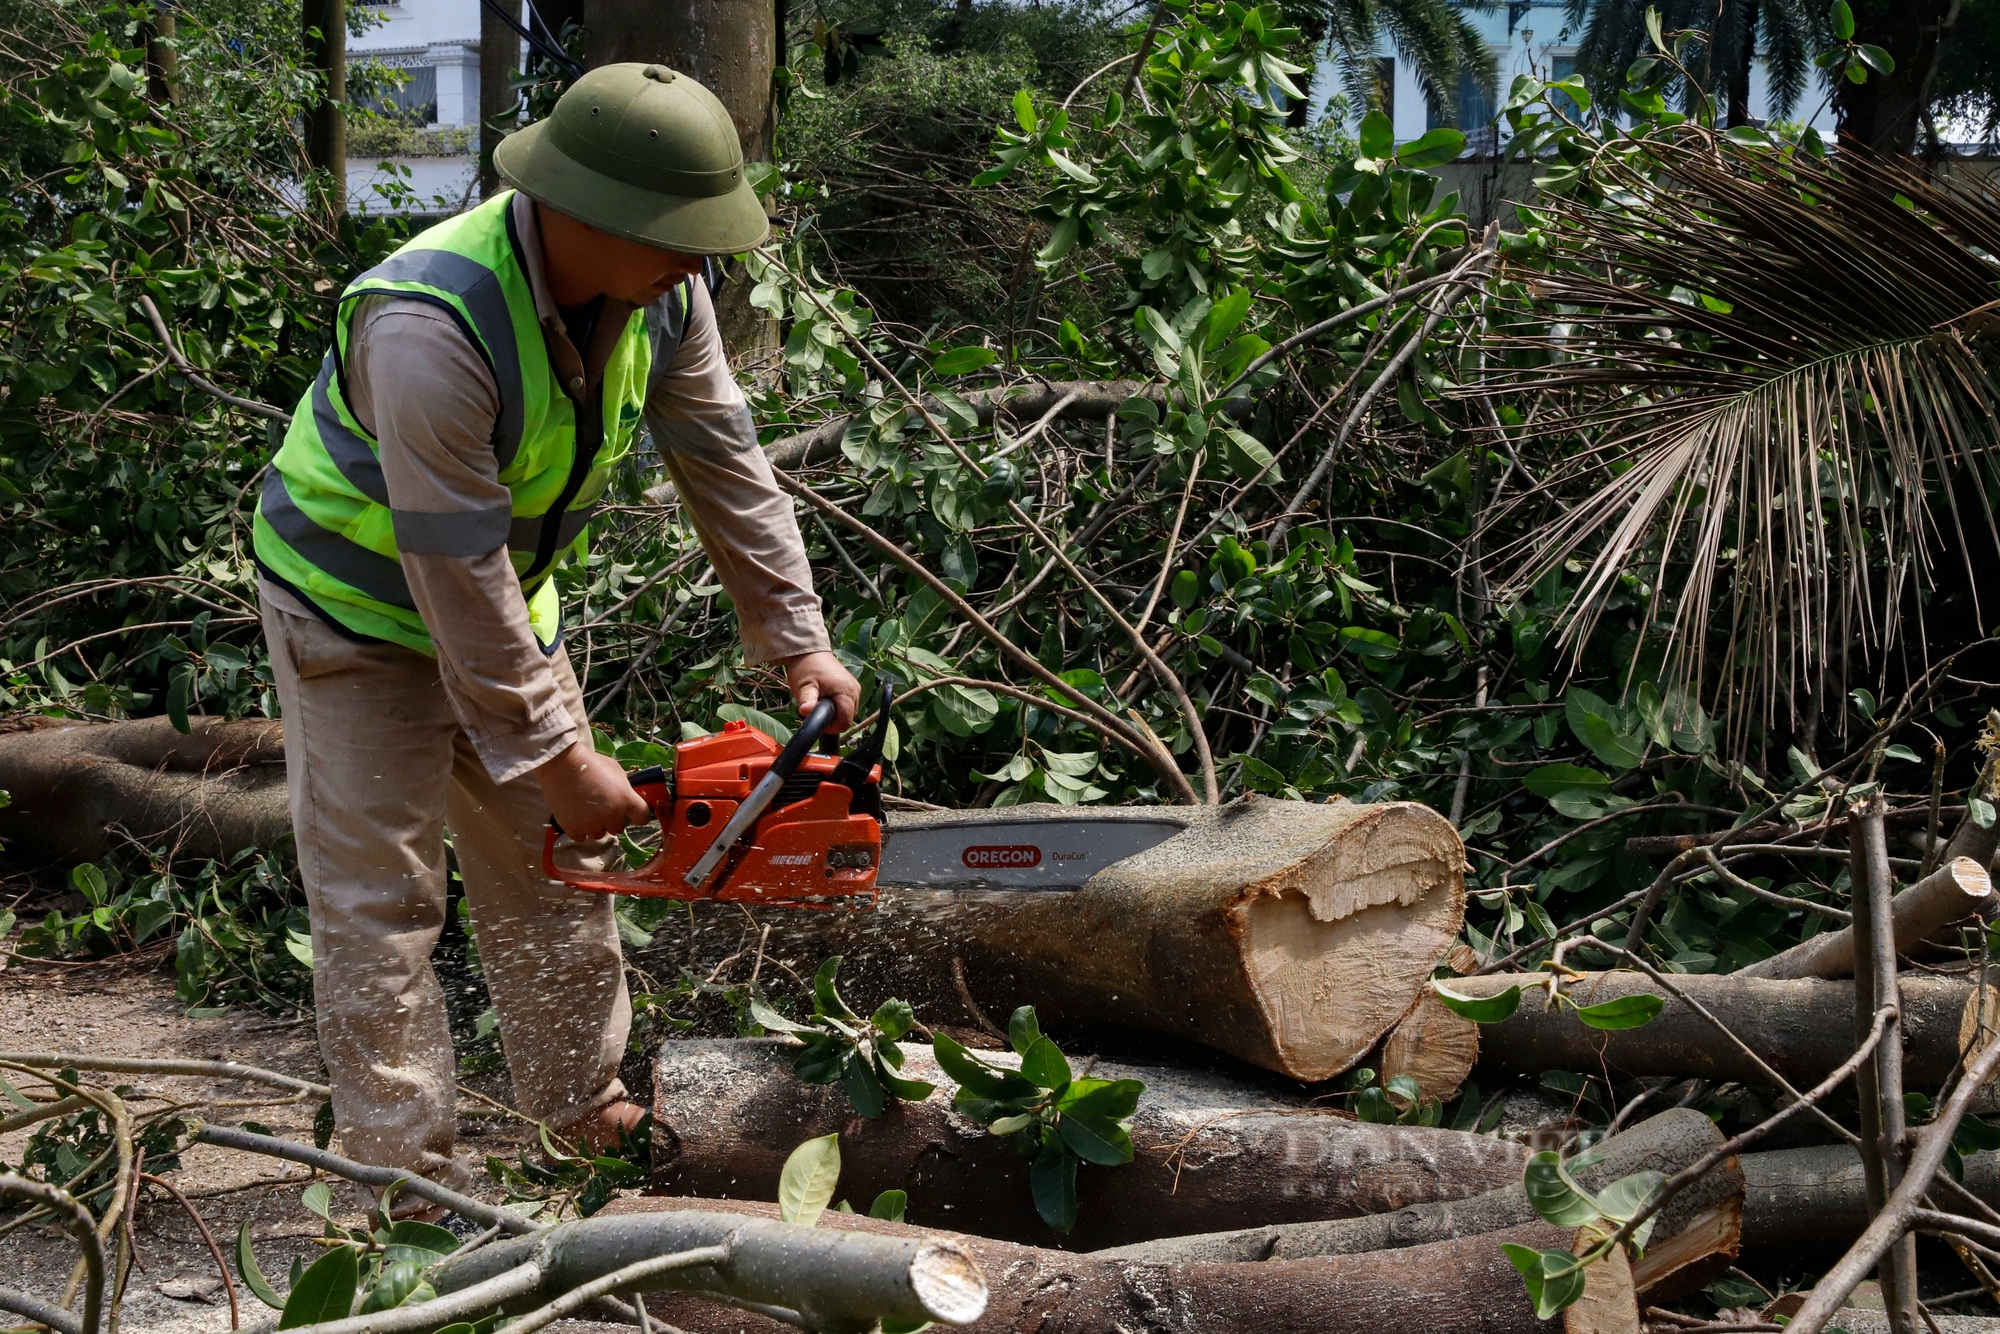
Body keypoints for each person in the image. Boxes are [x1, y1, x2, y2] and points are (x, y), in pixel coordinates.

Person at [251, 62, 861, 1203]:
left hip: (504, 616)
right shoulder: (426, 324)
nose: (700, 255)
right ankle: (402, 1180)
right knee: (381, 905)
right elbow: (452, 568)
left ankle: (579, 1111)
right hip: (353, 617)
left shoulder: (667, 298)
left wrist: (796, 637)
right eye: (678, 230)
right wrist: (555, 751)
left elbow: (726, 464)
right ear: (584, 211)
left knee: (563, 874)